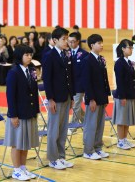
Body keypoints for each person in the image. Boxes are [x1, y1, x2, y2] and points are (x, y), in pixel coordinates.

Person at [4, 45, 39, 181]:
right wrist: (13, 115)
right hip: (18, 113)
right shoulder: (14, 72)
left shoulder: (31, 70)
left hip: (29, 112)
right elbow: (10, 96)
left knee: (26, 143)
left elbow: (34, 92)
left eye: (31, 54)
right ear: (20, 56)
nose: (29, 57)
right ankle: (16, 170)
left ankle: (23, 167)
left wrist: (36, 110)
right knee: (17, 144)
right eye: (26, 55)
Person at [43, 27, 75, 170]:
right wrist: (50, 99)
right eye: (63, 39)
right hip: (56, 98)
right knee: (54, 130)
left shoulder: (66, 54)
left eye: (67, 38)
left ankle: (61, 157)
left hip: (66, 96)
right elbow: (47, 79)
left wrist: (72, 96)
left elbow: (70, 77)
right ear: (55, 40)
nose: (66, 41)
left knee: (63, 129)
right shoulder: (49, 56)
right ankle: (52, 158)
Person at [82, 34, 111, 160]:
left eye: (102, 42)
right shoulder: (87, 60)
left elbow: (104, 79)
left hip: (101, 96)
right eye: (99, 43)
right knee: (91, 125)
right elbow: (87, 81)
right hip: (93, 98)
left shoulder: (101, 59)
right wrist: (91, 99)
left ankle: (97, 148)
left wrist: (106, 96)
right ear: (92, 45)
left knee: (100, 124)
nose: (102, 45)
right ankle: (88, 150)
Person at [113, 39, 135, 149]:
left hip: (130, 94)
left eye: (132, 48)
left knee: (127, 118)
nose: (131, 49)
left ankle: (125, 139)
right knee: (122, 119)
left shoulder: (128, 62)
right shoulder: (119, 63)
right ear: (123, 48)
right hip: (122, 95)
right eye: (129, 47)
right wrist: (122, 96)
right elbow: (120, 81)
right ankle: (120, 141)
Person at [67, 32, 89, 135]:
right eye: (69, 41)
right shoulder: (66, 53)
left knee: (76, 105)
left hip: (79, 85)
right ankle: (86, 122)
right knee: (76, 106)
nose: (71, 44)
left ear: (78, 41)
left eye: (73, 42)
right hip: (69, 85)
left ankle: (73, 126)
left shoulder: (84, 54)